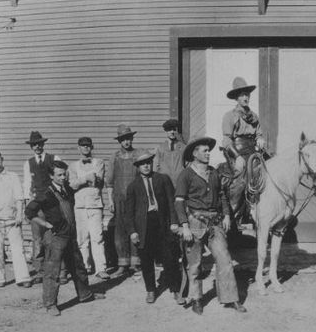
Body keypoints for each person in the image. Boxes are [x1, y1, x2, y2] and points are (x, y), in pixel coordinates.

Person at [174, 137, 246, 315]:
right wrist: (184, 225)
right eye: (204, 151)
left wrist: (227, 215)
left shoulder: (214, 173)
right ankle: (197, 299)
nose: (208, 153)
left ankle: (231, 298)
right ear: (194, 153)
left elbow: (222, 195)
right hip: (195, 223)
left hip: (215, 223)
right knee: (195, 264)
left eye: (208, 150)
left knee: (225, 260)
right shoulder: (186, 174)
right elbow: (179, 202)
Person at [25, 160, 105, 316]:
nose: (63, 177)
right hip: (56, 237)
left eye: (64, 174)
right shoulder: (45, 193)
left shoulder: (66, 189)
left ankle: (85, 295)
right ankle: (50, 304)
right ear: (51, 176)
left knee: (78, 266)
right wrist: (46, 224)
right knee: (52, 271)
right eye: (59, 175)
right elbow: (29, 212)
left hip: (70, 233)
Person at [125, 152, 182, 304]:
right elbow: (128, 212)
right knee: (146, 260)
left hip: (162, 223)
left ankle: (176, 290)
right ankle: (150, 290)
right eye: (142, 164)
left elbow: (171, 202)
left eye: (148, 163)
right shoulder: (133, 186)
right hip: (144, 227)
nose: (146, 166)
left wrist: (174, 222)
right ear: (138, 167)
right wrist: (132, 232)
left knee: (170, 258)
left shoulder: (162, 179)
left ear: (152, 163)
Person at [0, 150, 32, 288]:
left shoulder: (13, 176)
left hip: (12, 220)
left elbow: (19, 198)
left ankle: (23, 277)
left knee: (18, 249)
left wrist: (19, 215)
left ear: (3, 160)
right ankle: (0, 278)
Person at [221, 77, 266, 224]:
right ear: (236, 98)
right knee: (240, 177)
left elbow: (258, 133)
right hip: (237, 151)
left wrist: (260, 139)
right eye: (242, 95)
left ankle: (260, 214)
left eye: (247, 94)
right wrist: (237, 156)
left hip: (253, 150)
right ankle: (232, 215)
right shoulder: (230, 116)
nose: (245, 97)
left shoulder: (254, 117)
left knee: (267, 172)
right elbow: (226, 140)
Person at [22, 131, 64, 284]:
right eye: (34, 144)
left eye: (39, 143)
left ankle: (59, 271)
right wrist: (29, 206)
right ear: (32, 147)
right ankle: (40, 271)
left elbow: (61, 181)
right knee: (37, 238)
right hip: (37, 205)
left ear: (43, 144)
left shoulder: (54, 159)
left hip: (53, 204)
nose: (37, 146)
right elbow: (27, 186)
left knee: (56, 237)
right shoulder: (28, 163)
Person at [105, 124, 146, 278]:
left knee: (135, 230)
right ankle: (122, 265)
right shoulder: (114, 157)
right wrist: (110, 201)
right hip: (119, 199)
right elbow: (109, 181)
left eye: (128, 138)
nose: (126, 142)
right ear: (119, 141)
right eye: (123, 139)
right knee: (120, 231)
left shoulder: (138, 155)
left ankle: (136, 264)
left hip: (135, 200)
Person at [69, 136, 108, 280]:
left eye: (88, 145)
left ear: (92, 147)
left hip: (95, 204)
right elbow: (72, 185)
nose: (85, 148)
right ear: (78, 148)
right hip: (79, 206)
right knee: (82, 238)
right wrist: (86, 178)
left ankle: (101, 268)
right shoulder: (72, 166)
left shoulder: (99, 162)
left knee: (97, 237)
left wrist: (81, 181)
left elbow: (97, 180)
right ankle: (85, 267)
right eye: (83, 146)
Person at [155, 118, 187, 184]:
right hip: (164, 183)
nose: (172, 132)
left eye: (174, 129)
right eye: (169, 130)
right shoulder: (160, 148)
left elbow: (187, 165)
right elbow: (156, 167)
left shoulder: (183, 147)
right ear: (166, 131)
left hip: (179, 181)